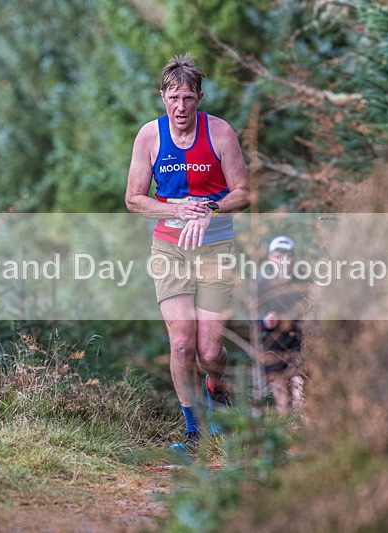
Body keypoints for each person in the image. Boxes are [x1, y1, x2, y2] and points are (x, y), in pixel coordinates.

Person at [125, 54, 250, 452]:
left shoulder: (220, 133)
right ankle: (193, 431)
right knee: (181, 344)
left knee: (210, 351)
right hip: (170, 246)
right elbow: (133, 199)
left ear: (199, 97)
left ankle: (217, 390)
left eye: (188, 98)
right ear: (162, 97)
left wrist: (211, 208)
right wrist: (176, 209)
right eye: (173, 98)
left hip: (216, 246)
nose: (180, 107)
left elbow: (244, 193)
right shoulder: (149, 136)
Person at [258, 235, 308, 415]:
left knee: (299, 389)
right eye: (278, 256)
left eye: (287, 256)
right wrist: (264, 319)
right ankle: (284, 428)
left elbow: (311, 310)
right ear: (270, 257)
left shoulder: (303, 281)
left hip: (298, 343)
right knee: (281, 396)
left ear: (293, 257)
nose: (283, 261)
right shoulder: (261, 284)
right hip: (272, 347)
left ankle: (301, 426)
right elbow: (252, 315)